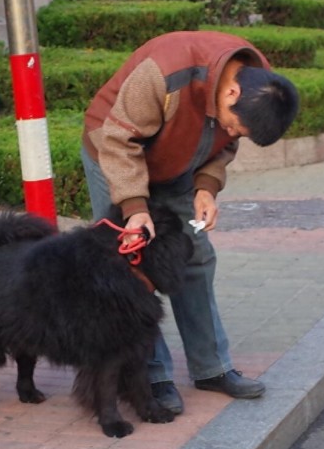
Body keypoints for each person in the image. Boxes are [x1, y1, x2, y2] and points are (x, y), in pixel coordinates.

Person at [80, 31, 300, 413]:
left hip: (179, 161)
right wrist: (135, 207)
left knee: (196, 256)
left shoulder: (258, 82)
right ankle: (151, 377)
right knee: (132, 266)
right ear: (231, 94)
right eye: (234, 125)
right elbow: (119, 140)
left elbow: (224, 141)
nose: (233, 134)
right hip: (114, 152)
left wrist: (206, 187)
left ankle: (211, 367)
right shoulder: (166, 70)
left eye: (240, 132)